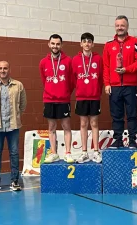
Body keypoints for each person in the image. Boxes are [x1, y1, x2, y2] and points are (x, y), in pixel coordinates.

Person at [0, 61, 27, 192]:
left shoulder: (18, 85)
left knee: (14, 153)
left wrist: (16, 115)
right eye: (0, 68)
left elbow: (23, 104)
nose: (3, 70)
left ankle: (15, 181)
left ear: (9, 70)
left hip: (13, 126)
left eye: (5, 68)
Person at [103, 15, 137, 149]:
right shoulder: (108, 45)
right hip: (114, 87)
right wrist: (107, 84)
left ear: (127, 27)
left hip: (130, 86)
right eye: (117, 25)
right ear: (115, 27)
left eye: (122, 25)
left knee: (132, 115)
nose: (120, 28)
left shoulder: (135, 42)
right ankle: (118, 139)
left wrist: (127, 69)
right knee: (116, 115)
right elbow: (106, 66)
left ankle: (132, 140)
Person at [39, 34, 74, 163]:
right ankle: (54, 153)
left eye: (58, 44)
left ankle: (68, 153)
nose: (55, 46)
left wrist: (65, 92)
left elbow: (72, 81)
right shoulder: (43, 62)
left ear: (61, 45)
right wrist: (51, 90)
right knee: (52, 127)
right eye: (53, 43)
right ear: (49, 44)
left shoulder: (68, 61)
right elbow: (44, 80)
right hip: (49, 99)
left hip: (63, 99)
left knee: (66, 126)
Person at [72, 32, 103, 163]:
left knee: (94, 123)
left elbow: (101, 77)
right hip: (81, 97)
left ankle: (96, 151)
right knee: (83, 123)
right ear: (81, 44)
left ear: (93, 44)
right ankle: (84, 152)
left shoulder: (98, 59)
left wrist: (96, 90)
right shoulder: (75, 60)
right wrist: (80, 88)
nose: (87, 44)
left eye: (89, 41)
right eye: (84, 41)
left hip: (94, 96)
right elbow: (73, 78)